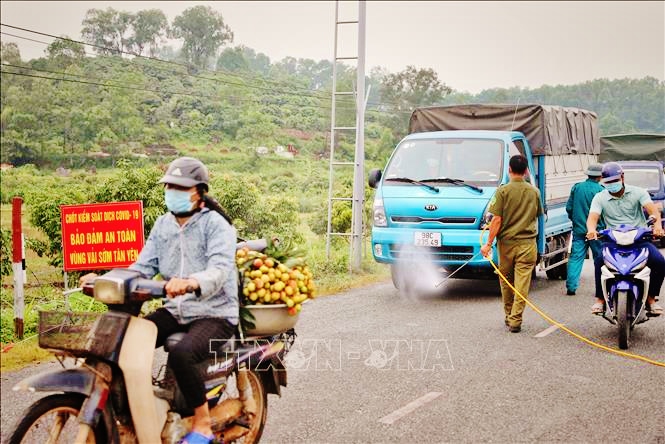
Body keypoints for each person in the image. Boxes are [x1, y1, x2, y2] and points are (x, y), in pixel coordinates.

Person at [82, 157, 238, 444]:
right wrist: (103, 278)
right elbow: (142, 267)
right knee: (122, 341)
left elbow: (219, 271)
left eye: (180, 187)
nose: (172, 191)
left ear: (198, 192)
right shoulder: (163, 224)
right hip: (176, 309)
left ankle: (202, 423)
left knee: (182, 353)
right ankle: (132, 416)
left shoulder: (217, 226)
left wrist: (193, 281)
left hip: (214, 312)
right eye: (169, 186)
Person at [586, 162, 664, 316]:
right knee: (598, 261)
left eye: (615, 181)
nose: (612, 184)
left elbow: (652, 209)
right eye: (608, 182)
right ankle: (600, 299)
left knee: (660, 262)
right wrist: (591, 230)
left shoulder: (638, 192)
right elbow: (592, 218)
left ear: (622, 177)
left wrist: (657, 227)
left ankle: (651, 298)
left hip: (639, 240)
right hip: (613, 241)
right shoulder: (599, 197)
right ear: (602, 181)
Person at [481, 155, 543, 333]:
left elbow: (496, 220)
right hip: (527, 244)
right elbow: (537, 215)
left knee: (506, 280)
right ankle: (516, 319)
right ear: (525, 171)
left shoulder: (502, 191)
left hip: (506, 245)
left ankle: (509, 315)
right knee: (522, 282)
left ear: (509, 170)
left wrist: (488, 244)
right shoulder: (534, 192)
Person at [564, 163, 605, 296]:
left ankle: (571, 287)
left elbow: (569, 208)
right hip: (597, 231)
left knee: (576, 258)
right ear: (600, 176)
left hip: (579, 230)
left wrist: (575, 220)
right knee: (600, 259)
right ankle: (601, 289)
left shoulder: (577, 188)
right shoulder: (602, 190)